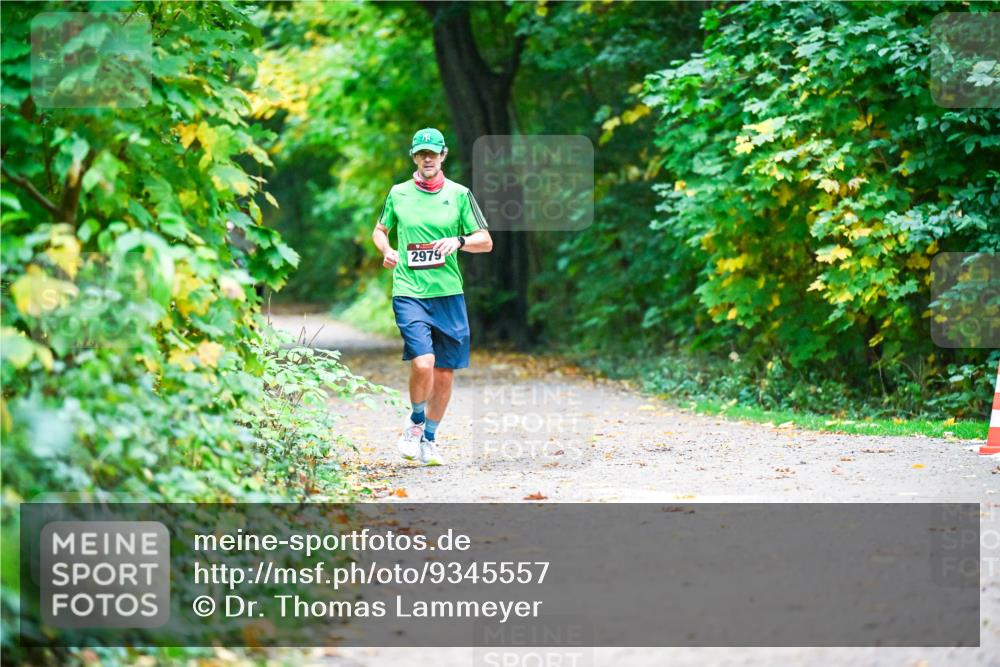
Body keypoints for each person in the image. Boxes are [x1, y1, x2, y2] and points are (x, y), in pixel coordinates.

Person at [371, 127, 493, 465]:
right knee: (423, 362)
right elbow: (380, 230)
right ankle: (414, 422)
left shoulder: (459, 195)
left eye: (433, 152)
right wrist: (388, 249)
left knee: (445, 372)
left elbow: (486, 239)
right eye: (421, 153)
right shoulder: (398, 193)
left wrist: (460, 241)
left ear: (443, 156)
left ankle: (430, 438)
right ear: (414, 156)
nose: (427, 158)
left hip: (449, 294)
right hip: (409, 291)